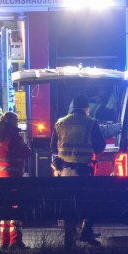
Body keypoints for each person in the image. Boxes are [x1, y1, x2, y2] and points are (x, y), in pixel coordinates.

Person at [50, 94, 106, 246]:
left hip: (64, 172)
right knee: (90, 201)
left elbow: (53, 147)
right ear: (86, 109)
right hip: (83, 171)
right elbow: (100, 146)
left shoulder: (60, 123)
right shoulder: (91, 122)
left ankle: (70, 238)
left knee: (68, 204)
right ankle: (86, 232)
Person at [0, 111, 31, 249]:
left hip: (0, 176)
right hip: (13, 177)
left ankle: (4, 241)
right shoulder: (14, 136)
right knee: (15, 208)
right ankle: (15, 241)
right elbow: (26, 152)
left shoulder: (0, 135)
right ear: (13, 122)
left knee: (5, 209)